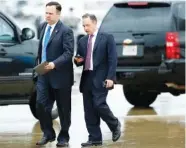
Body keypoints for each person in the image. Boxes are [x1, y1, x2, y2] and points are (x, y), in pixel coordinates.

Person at [74, 13, 121, 147]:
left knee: (99, 104)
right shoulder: (82, 41)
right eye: (83, 26)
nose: (85, 28)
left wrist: (110, 77)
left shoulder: (106, 38)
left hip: (101, 78)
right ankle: (94, 138)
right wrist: (77, 60)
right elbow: (79, 59)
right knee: (89, 110)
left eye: (87, 25)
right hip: (87, 77)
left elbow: (113, 59)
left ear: (95, 23)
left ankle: (114, 124)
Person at [35, 1, 74, 147]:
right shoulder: (42, 27)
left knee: (63, 109)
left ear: (58, 14)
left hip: (60, 76)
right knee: (40, 104)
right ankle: (48, 133)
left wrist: (54, 63)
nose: (47, 16)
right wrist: (37, 67)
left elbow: (68, 52)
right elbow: (41, 49)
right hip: (43, 74)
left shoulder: (66, 31)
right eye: (46, 12)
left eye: (50, 13)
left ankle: (63, 137)